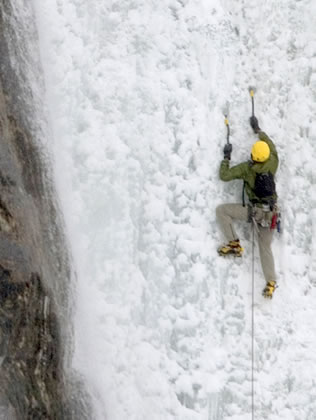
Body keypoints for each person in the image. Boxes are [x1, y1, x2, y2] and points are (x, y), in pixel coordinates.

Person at [216, 116, 279, 299]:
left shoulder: (247, 169)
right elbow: (270, 145)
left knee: (222, 211)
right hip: (271, 214)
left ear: (253, 155)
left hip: (254, 212)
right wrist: (258, 130)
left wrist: (226, 157)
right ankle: (271, 282)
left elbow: (224, 175)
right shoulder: (273, 162)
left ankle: (234, 243)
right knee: (265, 247)